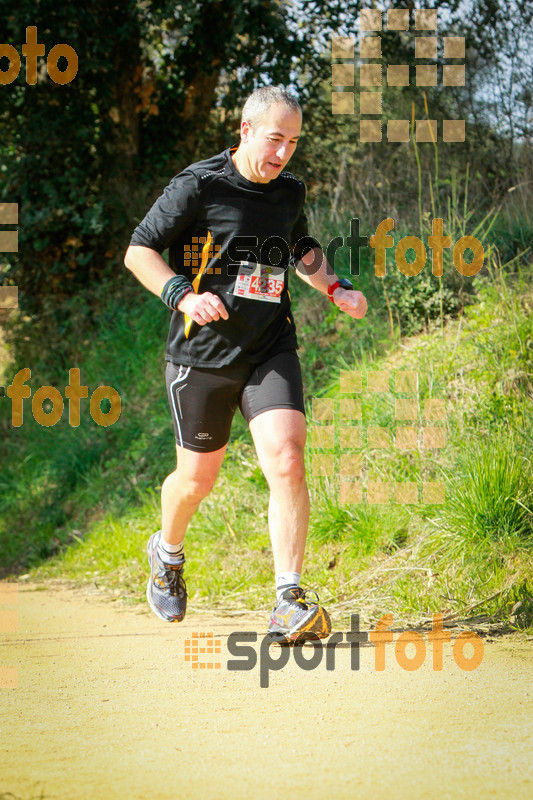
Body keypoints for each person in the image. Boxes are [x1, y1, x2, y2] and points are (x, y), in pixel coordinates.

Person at [124, 85, 367, 643]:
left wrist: (334, 285)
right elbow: (140, 250)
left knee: (287, 457)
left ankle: (288, 599)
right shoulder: (199, 185)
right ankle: (167, 551)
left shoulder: (289, 191)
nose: (283, 152)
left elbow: (299, 246)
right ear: (245, 131)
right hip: (202, 354)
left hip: (269, 345)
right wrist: (182, 295)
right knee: (196, 480)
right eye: (275, 138)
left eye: (294, 142)